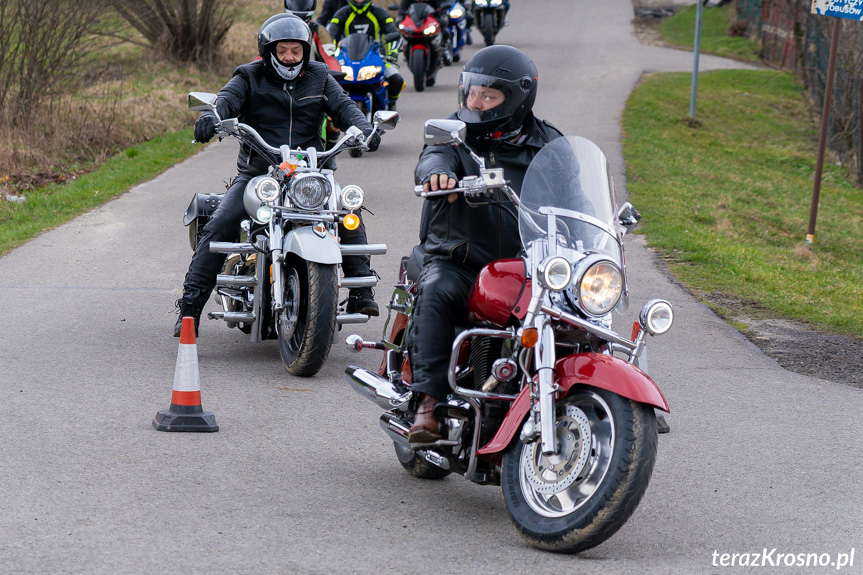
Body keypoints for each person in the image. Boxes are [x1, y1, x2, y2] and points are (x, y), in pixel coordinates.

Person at [174, 13, 381, 337]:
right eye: (283, 51)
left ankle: (360, 293)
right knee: (220, 224)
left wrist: (366, 129)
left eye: (295, 51)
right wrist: (211, 117)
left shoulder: (319, 76)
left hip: (311, 173)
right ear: (269, 50)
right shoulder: (249, 76)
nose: (289, 57)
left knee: (346, 210)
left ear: (305, 52)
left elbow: (345, 107)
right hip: (260, 174)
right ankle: (189, 310)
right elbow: (225, 101)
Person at [405, 45, 564, 442]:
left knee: (580, 305)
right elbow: (433, 157)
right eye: (471, 92)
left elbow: (574, 187)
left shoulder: (549, 142)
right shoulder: (453, 133)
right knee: (438, 290)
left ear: (518, 99)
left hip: (524, 267)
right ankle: (428, 404)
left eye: (487, 96)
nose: (474, 102)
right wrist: (438, 176)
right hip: (461, 259)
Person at [327, 0, 404, 114]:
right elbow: (330, 36)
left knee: (396, 79)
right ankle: (330, 114)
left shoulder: (379, 12)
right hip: (347, 58)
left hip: (377, 57)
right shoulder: (342, 13)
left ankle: (392, 106)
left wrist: (392, 54)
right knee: (329, 81)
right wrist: (330, 55)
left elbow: (393, 33)